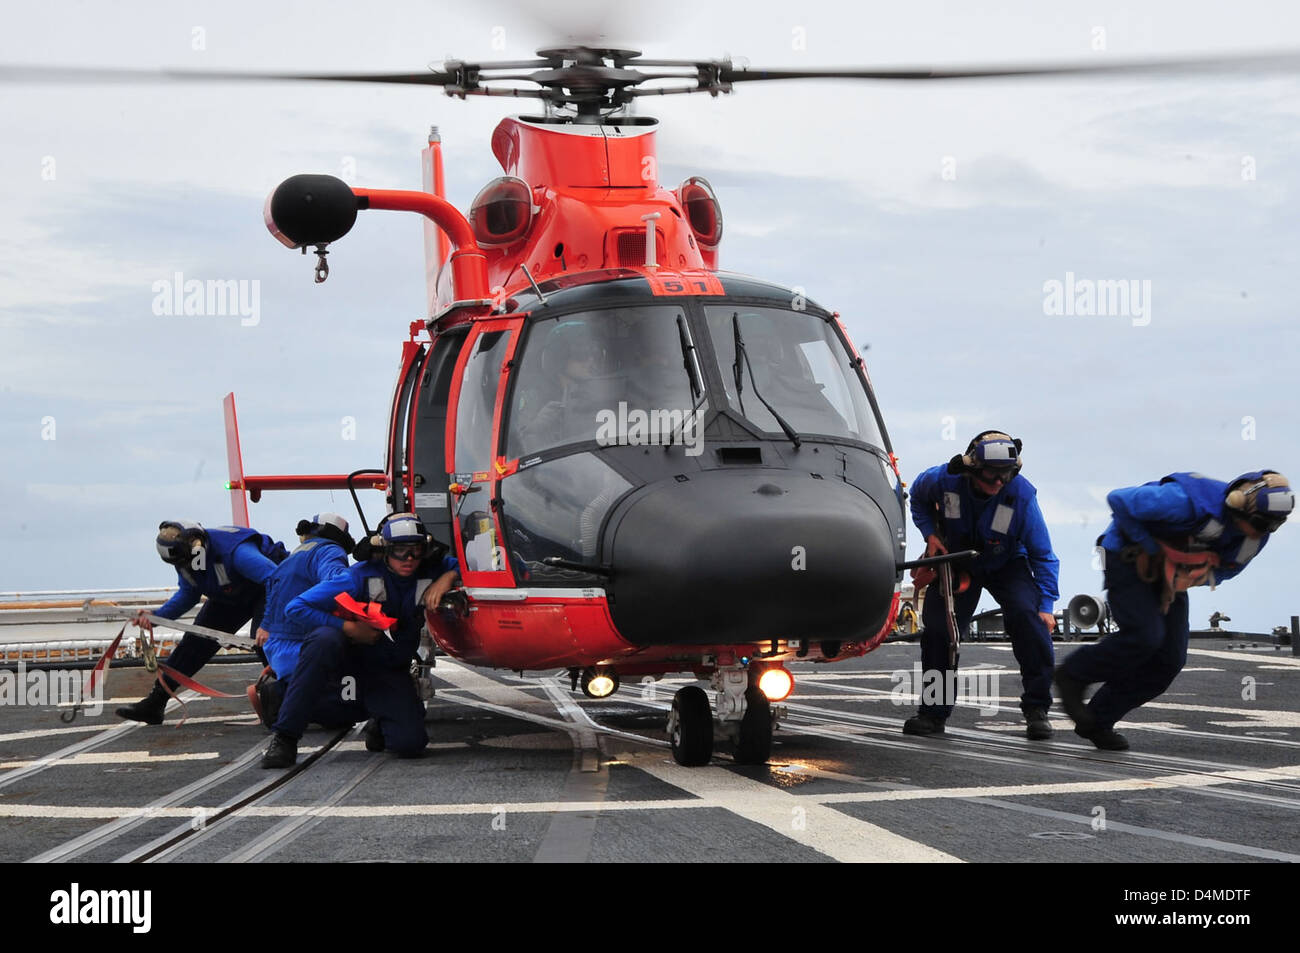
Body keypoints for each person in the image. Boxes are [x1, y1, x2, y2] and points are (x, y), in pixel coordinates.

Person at [1056, 470, 1294, 750]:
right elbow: (1119, 500)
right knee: (1144, 636)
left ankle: (1097, 719)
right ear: (1238, 502)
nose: (1261, 532)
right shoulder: (1184, 500)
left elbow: (1228, 569)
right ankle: (1072, 674)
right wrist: (1151, 548)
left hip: (1172, 576)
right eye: (1258, 523)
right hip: (1125, 555)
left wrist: (1195, 574)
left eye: (1271, 527)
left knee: (1169, 660)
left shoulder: (1256, 535)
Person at [260, 512, 460, 768]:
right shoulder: (357, 577)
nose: (408, 559)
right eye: (400, 550)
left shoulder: (430, 571)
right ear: (385, 550)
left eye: (416, 550)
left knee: (410, 744)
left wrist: (447, 579)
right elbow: (296, 607)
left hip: (387, 670)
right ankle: (285, 735)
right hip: (345, 667)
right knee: (324, 640)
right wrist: (348, 627)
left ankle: (381, 718)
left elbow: (461, 565)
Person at [905, 431, 1060, 740]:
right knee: (940, 632)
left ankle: (1037, 709)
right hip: (957, 560)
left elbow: (1044, 555)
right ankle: (933, 714)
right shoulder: (941, 479)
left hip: (1007, 563)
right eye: (992, 475)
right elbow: (918, 502)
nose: (1000, 482)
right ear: (972, 469)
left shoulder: (1022, 496)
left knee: (1029, 621)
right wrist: (929, 535)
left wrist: (1046, 606)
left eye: (1007, 475)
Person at [117, 520, 287, 724]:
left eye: (187, 562)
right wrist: (156, 617)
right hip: (232, 593)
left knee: (263, 642)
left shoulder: (237, 552)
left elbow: (275, 579)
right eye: (181, 565)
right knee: (196, 641)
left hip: (268, 589)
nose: (186, 567)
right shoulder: (185, 558)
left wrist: (267, 624)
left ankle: (290, 698)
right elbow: (189, 593)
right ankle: (155, 703)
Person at [251, 513, 357, 728]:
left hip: (279, 646)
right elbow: (337, 579)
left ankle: (285, 693)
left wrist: (266, 625)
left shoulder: (294, 555)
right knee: (351, 706)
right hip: (304, 645)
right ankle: (279, 697)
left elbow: (272, 589)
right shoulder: (330, 550)